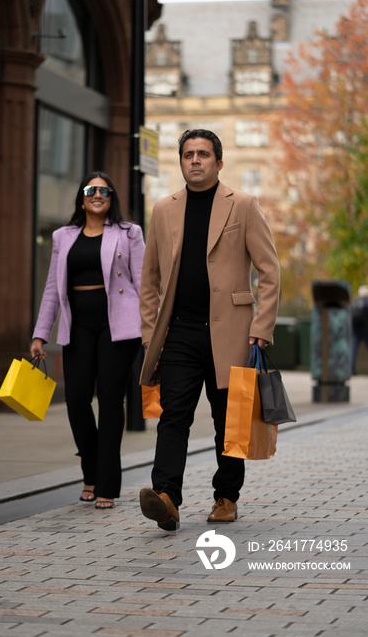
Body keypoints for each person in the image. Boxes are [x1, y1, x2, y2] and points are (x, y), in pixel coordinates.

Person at [138, 129, 280, 530]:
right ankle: (166, 496)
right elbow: (149, 280)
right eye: (188, 154)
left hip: (233, 332)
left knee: (229, 421)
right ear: (180, 162)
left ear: (218, 162)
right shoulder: (163, 209)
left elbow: (270, 270)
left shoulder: (244, 205)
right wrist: (151, 335)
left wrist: (262, 327)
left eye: (203, 154)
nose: (195, 160)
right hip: (179, 331)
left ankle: (226, 497)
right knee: (173, 414)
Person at [31, 172, 145, 510]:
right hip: (77, 326)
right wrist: (40, 333)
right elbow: (53, 288)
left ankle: (106, 483)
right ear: (82, 198)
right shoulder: (62, 237)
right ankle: (90, 472)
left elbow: (144, 283)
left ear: (111, 198)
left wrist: (153, 328)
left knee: (111, 401)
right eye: (91, 190)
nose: (98, 194)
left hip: (119, 326)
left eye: (104, 190)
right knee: (76, 399)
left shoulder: (129, 233)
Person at [350, 285, 368, 374]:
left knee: (353, 350)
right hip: (365, 330)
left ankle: (351, 369)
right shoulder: (367, 303)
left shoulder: (354, 303)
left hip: (355, 331)